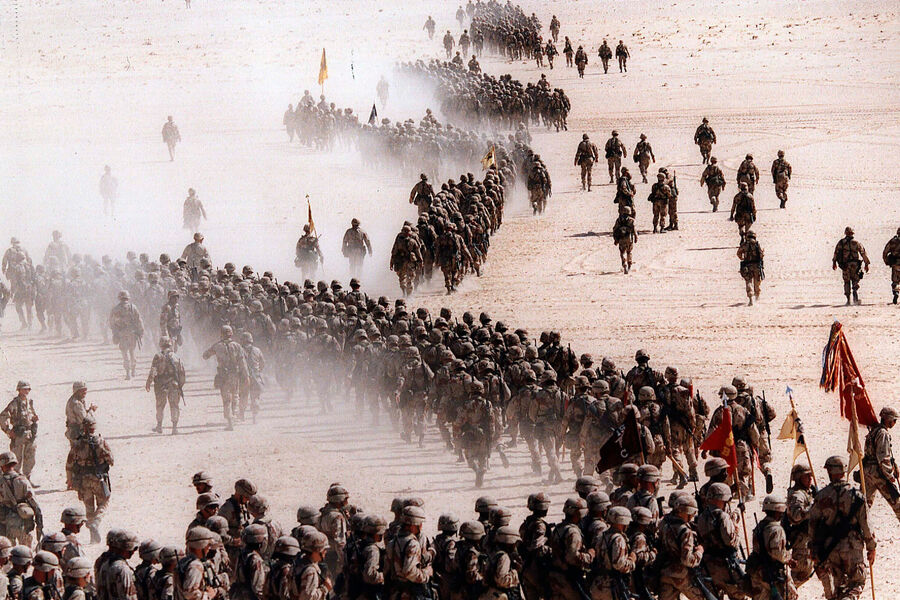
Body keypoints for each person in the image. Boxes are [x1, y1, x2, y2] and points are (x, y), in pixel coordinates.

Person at [809, 456, 876, 600]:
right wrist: (871, 547)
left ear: (830, 472)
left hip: (830, 548)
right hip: (852, 547)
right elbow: (866, 524)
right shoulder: (856, 496)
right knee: (857, 583)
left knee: (839, 587)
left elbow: (813, 525)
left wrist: (814, 550)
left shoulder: (821, 496)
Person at [66, 415, 112, 545]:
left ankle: (93, 537)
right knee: (104, 503)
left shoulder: (77, 443)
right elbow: (111, 460)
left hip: (84, 481)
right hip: (98, 479)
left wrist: (69, 480)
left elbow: (69, 464)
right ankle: (96, 522)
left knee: (89, 507)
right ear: (94, 428)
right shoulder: (101, 441)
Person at [748, 495, 796, 600]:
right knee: (791, 595)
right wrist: (788, 559)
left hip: (757, 570)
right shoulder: (776, 529)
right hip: (772, 572)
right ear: (776, 512)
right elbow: (777, 553)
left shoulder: (760, 526)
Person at [202, 325, 249, 431]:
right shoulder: (237, 346)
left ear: (221, 334)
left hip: (223, 375)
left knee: (226, 399)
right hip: (234, 375)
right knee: (235, 395)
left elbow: (205, 355)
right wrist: (246, 376)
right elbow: (243, 363)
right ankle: (234, 415)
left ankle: (229, 420)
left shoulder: (217, 346)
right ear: (231, 333)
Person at [863, 406, 899, 520]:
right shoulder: (883, 433)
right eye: (894, 420)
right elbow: (883, 459)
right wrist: (890, 477)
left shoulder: (873, 431)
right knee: (897, 503)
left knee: (863, 507)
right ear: (888, 419)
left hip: (868, 473)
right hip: (879, 474)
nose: (895, 423)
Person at [0, 451, 43, 546]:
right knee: (25, 551)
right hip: (24, 523)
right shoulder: (23, 480)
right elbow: (34, 504)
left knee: (7, 550)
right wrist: (39, 524)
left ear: (2, 465)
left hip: (5, 525)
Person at [145, 337, 185, 435]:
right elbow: (182, 373)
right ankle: (174, 428)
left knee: (160, 406)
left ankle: (159, 426)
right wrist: (180, 386)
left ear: (160, 345)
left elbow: (153, 371)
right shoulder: (176, 357)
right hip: (173, 385)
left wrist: (149, 382)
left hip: (160, 385)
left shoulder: (158, 357)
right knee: (174, 405)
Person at [0, 381, 38, 482]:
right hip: (19, 435)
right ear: (19, 390)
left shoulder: (29, 402)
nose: (26, 391)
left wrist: (34, 420)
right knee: (16, 459)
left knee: (30, 457)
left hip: (30, 433)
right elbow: (3, 416)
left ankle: (27, 480)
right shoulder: (14, 403)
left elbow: (32, 415)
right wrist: (8, 431)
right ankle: (15, 482)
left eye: (28, 389)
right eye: (24, 389)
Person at [785, 464, 815, 587]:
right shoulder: (797, 495)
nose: (810, 479)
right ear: (798, 478)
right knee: (800, 574)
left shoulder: (806, 492)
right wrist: (814, 508)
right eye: (806, 476)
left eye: (810, 476)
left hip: (809, 538)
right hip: (802, 540)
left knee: (807, 572)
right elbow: (796, 515)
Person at [108, 291, 144, 380]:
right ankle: (133, 370)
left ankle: (128, 373)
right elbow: (139, 320)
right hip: (132, 333)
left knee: (124, 353)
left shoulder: (115, 309)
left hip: (122, 334)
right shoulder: (133, 307)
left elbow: (111, 323)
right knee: (132, 352)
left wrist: (115, 333)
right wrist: (141, 332)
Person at [832, 227, 870, 305]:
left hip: (845, 265)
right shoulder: (856, 243)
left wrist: (834, 262)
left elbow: (836, 252)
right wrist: (866, 264)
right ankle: (855, 295)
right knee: (855, 280)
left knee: (847, 281)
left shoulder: (841, 242)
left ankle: (848, 299)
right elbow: (863, 253)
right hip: (855, 265)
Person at [737, 230, 764, 305]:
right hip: (756, 266)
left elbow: (738, 253)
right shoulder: (757, 244)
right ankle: (757, 296)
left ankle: (751, 298)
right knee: (757, 282)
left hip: (747, 266)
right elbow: (761, 255)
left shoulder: (744, 244)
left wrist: (742, 258)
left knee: (748, 282)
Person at [881, 227, 900, 304]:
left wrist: (887, 261)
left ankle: (896, 293)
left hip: (895, 264)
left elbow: (885, 252)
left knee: (895, 281)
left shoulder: (892, 241)